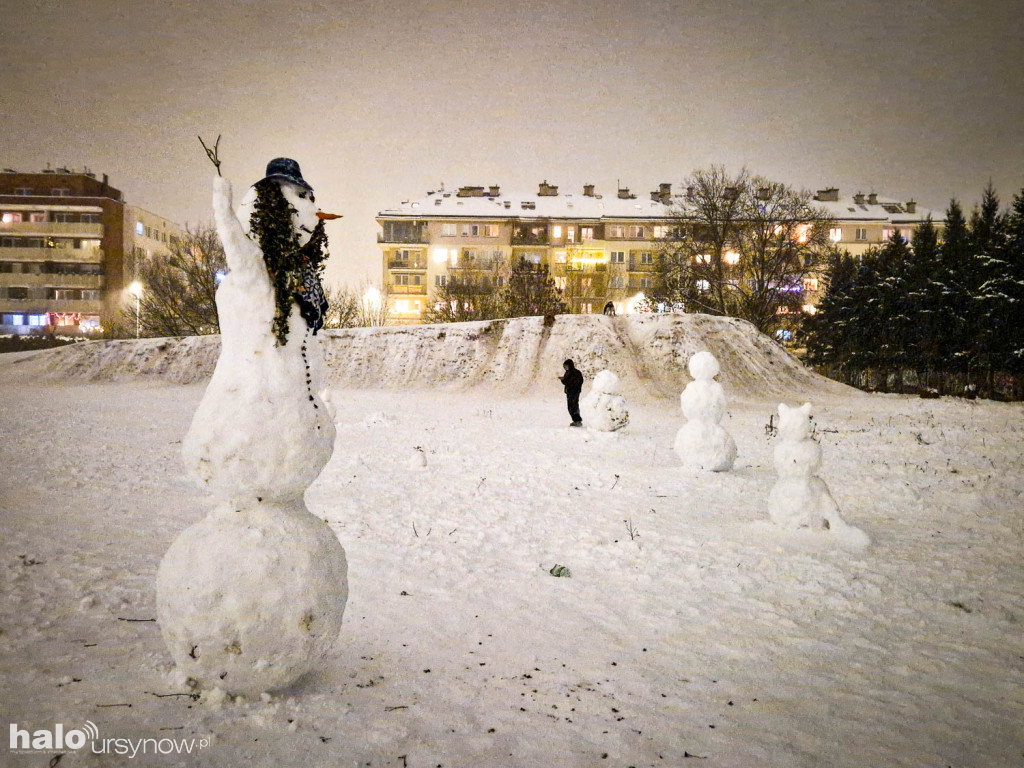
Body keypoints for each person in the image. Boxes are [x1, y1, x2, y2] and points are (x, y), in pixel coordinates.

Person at [559, 359, 584, 427]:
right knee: (572, 406)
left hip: (574, 392)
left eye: (566, 366)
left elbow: (568, 381)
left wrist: (564, 380)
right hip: (571, 392)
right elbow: (566, 381)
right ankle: (576, 420)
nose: (566, 367)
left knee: (573, 406)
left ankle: (577, 421)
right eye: (565, 366)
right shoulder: (570, 372)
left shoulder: (573, 372)